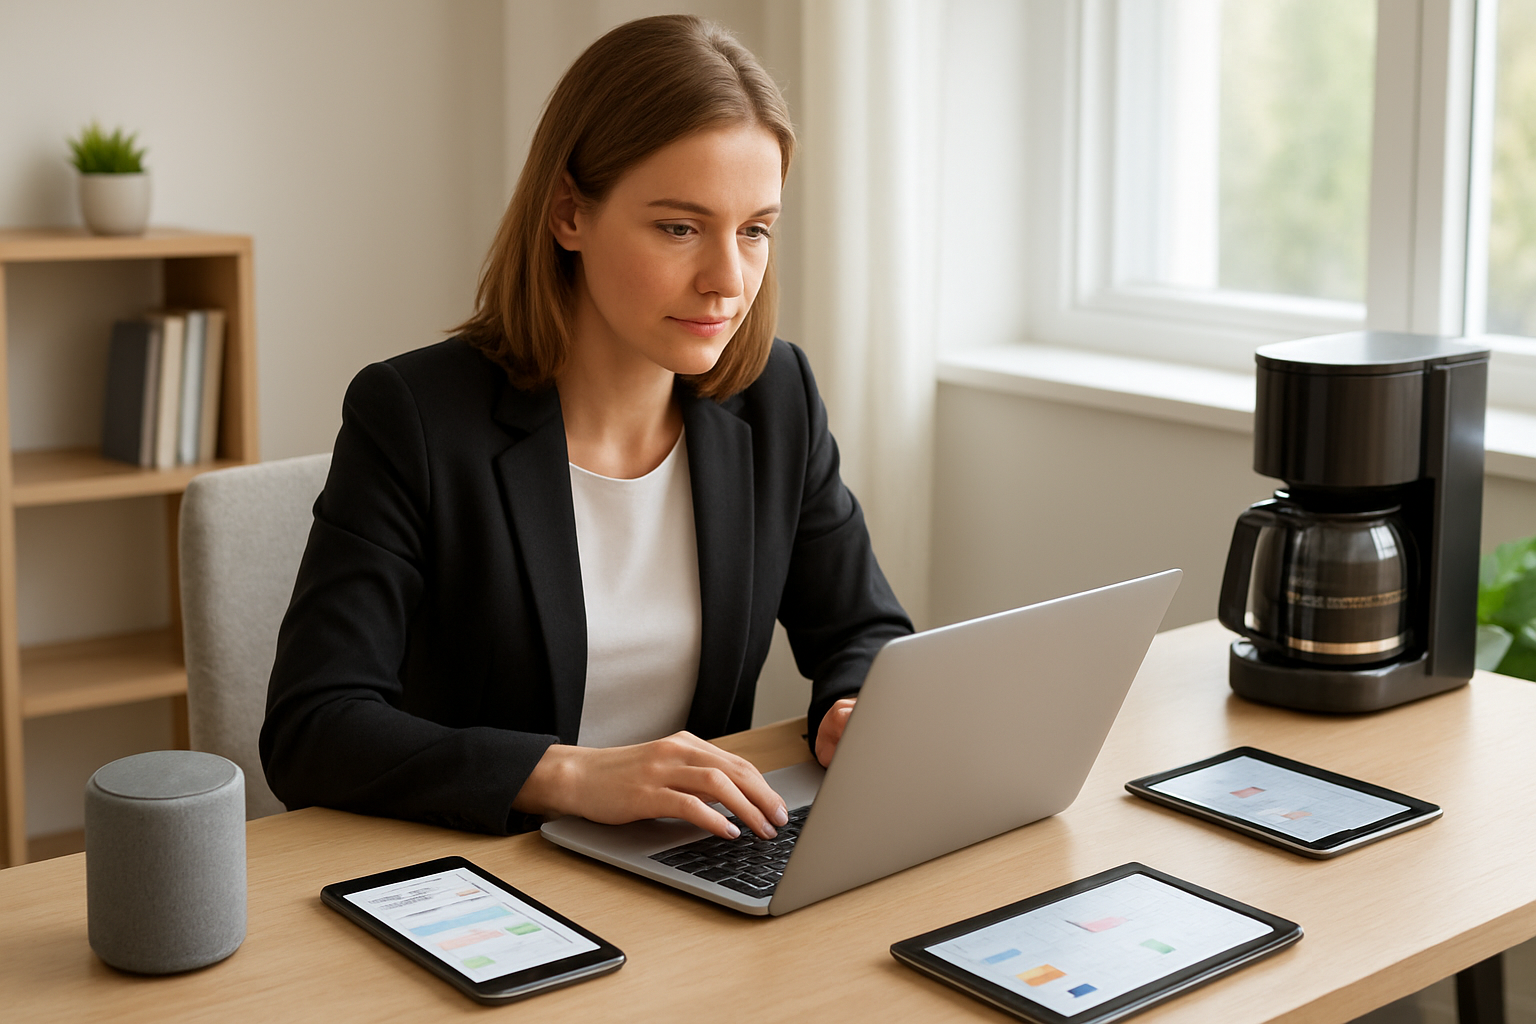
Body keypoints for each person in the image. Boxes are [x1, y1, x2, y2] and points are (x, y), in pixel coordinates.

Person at [259, 15, 912, 844]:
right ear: (570, 213)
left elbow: (864, 629)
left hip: (687, 859)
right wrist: (567, 774)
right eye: (680, 227)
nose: (727, 280)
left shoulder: (775, 396)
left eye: (754, 231)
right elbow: (313, 728)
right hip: (485, 877)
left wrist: (853, 705)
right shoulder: (414, 415)